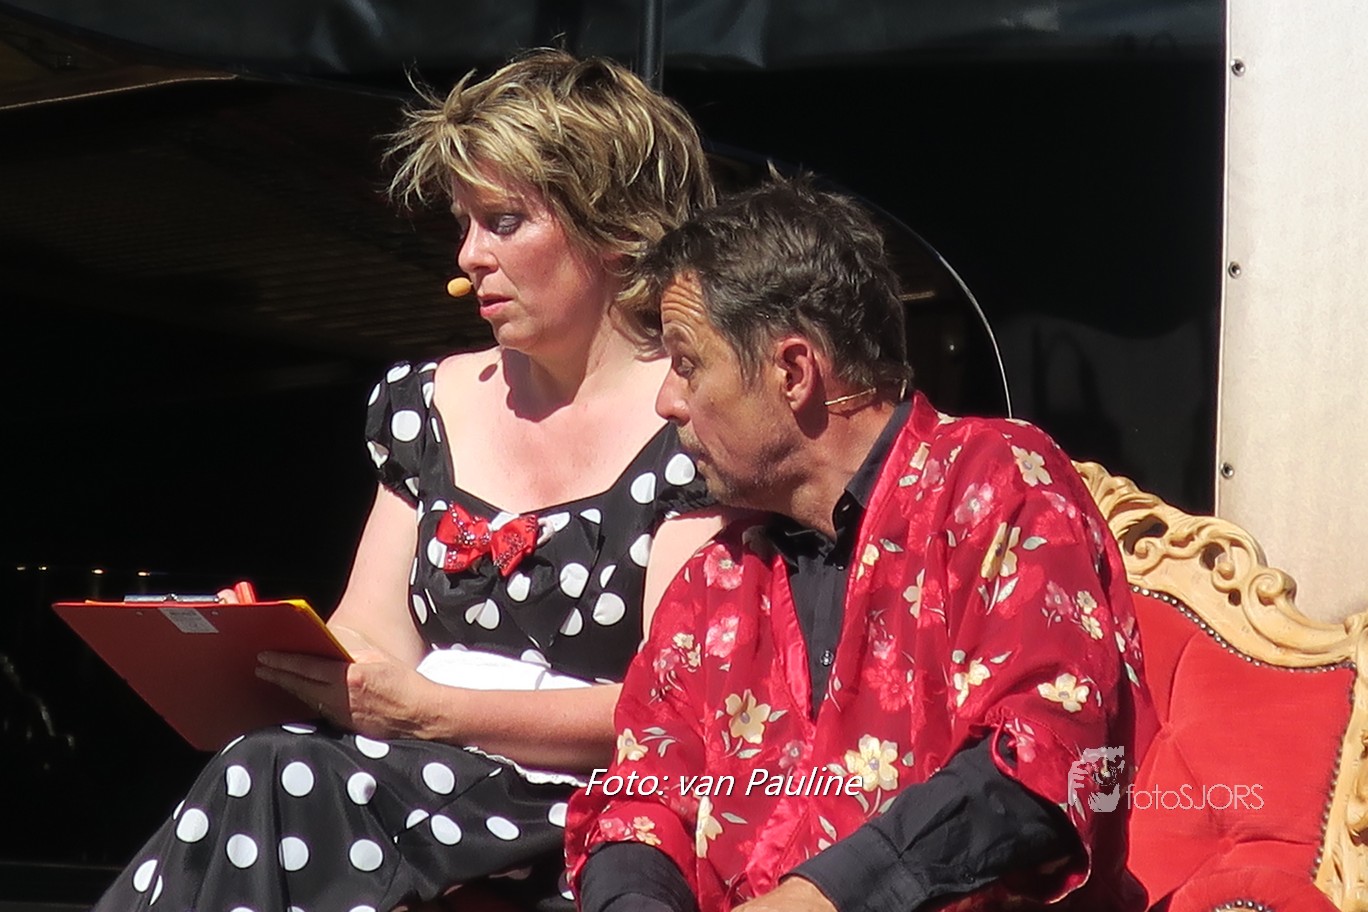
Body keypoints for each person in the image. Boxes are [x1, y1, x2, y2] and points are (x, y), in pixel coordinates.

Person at [93, 50, 722, 912]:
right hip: (412, 781)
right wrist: (274, 652)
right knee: (268, 764)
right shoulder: (424, 404)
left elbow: (672, 711)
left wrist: (431, 711)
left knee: (275, 777)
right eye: (464, 223)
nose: (469, 256)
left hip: (583, 810)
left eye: (504, 222)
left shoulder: (695, 423)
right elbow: (375, 638)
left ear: (618, 228)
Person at [566, 179, 1154, 911]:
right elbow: (638, 799)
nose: (668, 402)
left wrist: (819, 899)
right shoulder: (718, 578)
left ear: (792, 371)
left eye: (687, 363)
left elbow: (1044, 754)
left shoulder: (992, 480)